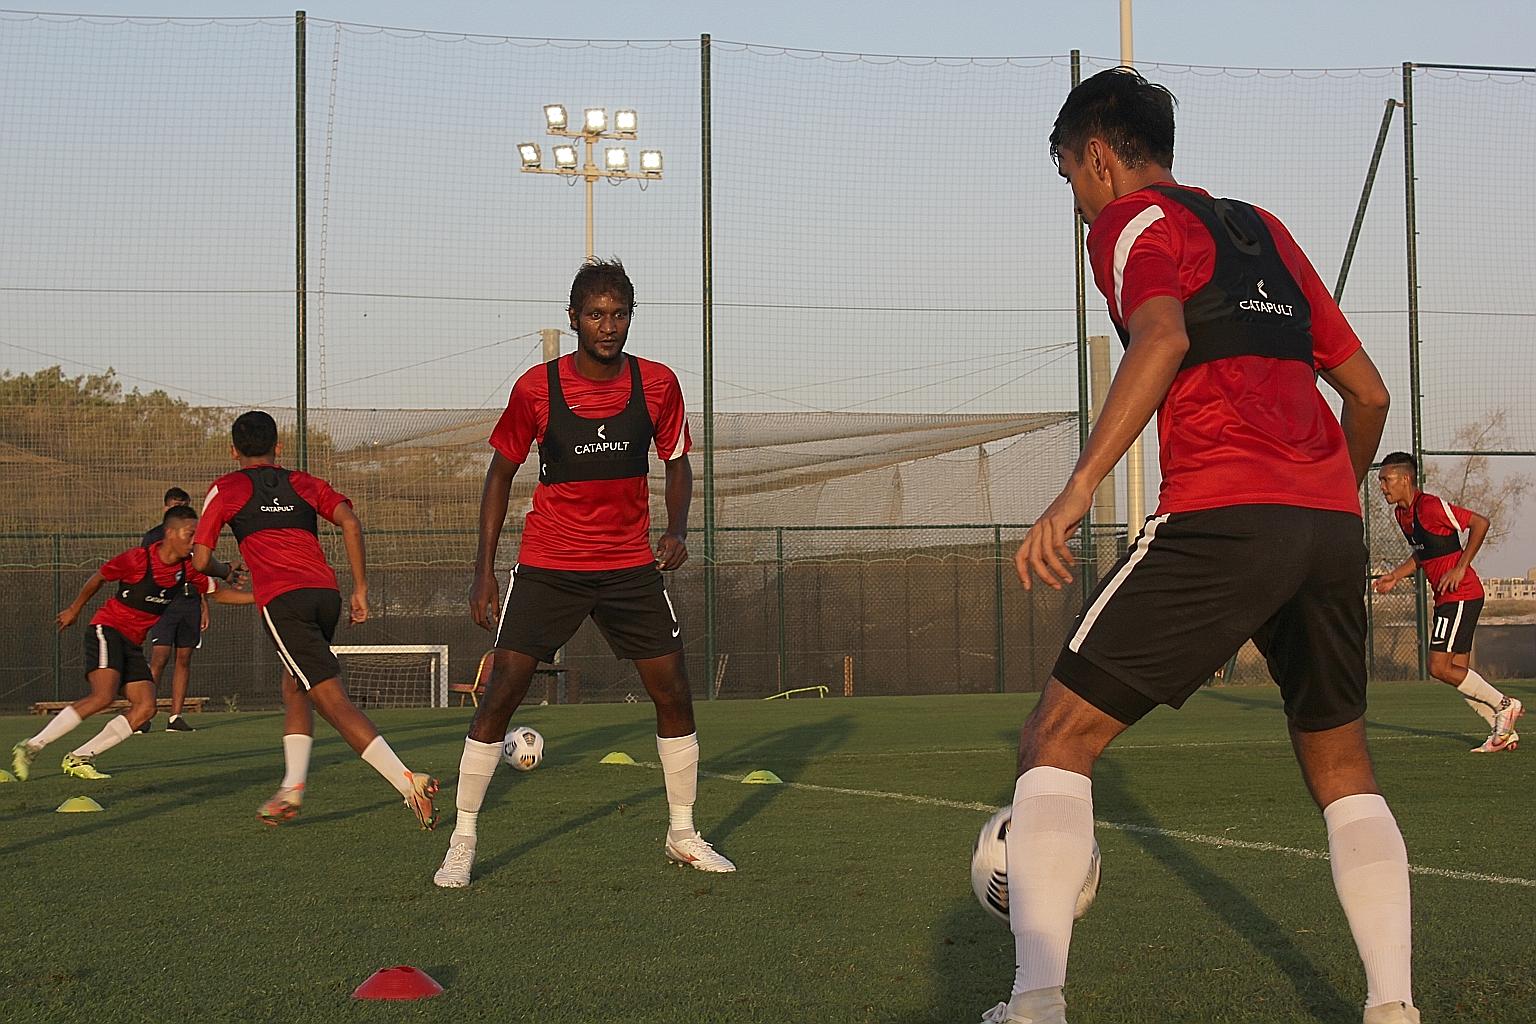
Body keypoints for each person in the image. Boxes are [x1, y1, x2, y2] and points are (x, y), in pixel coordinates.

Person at [996, 69, 1412, 1024]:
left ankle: (1035, 1004)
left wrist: (1079, 487)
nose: (1077, 202)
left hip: (1223, 512)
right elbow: (1370, 395)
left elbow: (1162, 338)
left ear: (1097, 157)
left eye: (1069, 178)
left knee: (1055, 739)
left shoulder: (1131, 222)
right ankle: (1394, 1007)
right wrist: (1318, 503)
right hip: (1329, 529)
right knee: (1343, 769)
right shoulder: (1263, 229)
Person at [435, 258, 733, 889]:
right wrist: (482, 570)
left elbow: (677, 462)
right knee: (501, 692)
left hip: (629, 567)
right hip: (550, 564)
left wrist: (678, 529)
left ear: (631, 317)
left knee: (674, 691)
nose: (608, 326)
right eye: (595, 314)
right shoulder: (535, 389)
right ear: (573, 318)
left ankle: (682, 834)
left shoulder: (658, 384)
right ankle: (462, 842)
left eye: (619, 314)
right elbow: (499, 475)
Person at [192, 410, 438, 829]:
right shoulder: (303, 482)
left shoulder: (226, 488)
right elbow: (350, 522)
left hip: (283, 601)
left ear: (233, 451)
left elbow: (200, 560)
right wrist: (360, 588)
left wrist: (223, 570)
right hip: (325, 595)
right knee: (295, 685)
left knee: (331, 700)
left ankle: (406, 782)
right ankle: (292, 788)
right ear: (278, 447)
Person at [11, 506, 253, 781]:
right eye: (190, 534)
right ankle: (31, 746)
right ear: (170, 533)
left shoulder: (188, 569)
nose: (195, 541)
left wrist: (262, 597)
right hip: (107, 629)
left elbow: (219, 594)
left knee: (145, 708)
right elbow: (99, 577)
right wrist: (74, 610)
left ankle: (80, 757)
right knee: (103, 696)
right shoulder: (138, 559)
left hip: (132, 643)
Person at [1373, 451, 1522, 751]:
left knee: (1438, 667)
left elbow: (1480, 523)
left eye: (1386, 480)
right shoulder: (1402, 515)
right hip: (1448, 597)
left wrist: (1461, 567)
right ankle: (1503, 731)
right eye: (1380, 481)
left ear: (1405, 479)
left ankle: (1505, 706)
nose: (1382, 487)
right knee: (1458, 671)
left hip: (1461, 594)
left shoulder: (1429, 506)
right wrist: (1395, 576)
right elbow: (1424, 553)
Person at [142, 487, 232, 733]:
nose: (179, 510)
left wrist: (204, 604)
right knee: (159, 656)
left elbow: (200, 569)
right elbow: (148, 570)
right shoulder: (153, 536)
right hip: (165, 603)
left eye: (183, 506)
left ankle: (175, 717)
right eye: (174, 506)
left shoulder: (196, 538)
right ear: (166, 508)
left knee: (184, 658)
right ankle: (144, 713)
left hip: (189, 602)